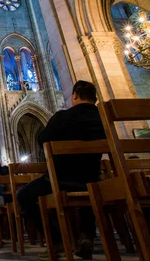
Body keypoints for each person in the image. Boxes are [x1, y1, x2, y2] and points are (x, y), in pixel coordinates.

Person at [16, 80, 106, 260]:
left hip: (61, 178)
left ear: (74, 96)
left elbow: (42, 139)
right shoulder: (103, 117)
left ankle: (56, 241)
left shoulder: (62, 117)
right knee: (90, 187)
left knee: (23, 195)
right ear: (95, 98)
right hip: (93, 178)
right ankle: (86, 236)